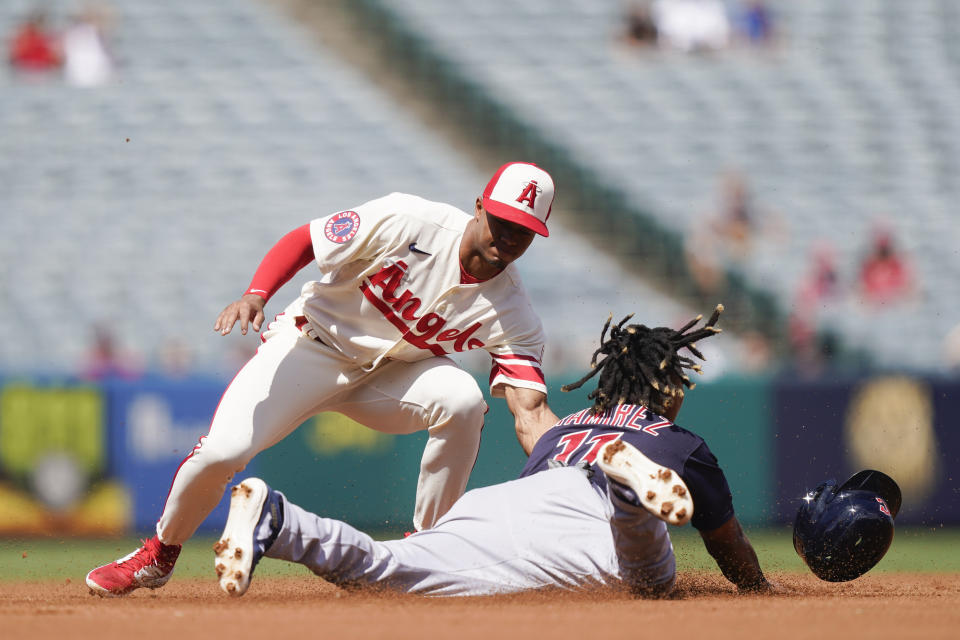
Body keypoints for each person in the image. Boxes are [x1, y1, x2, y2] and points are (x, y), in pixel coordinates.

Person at [85, 161, 561, 596]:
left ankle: (423, 556)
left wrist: (569, 464)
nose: (509, 236)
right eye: (502, 220)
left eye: (524, 229)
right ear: (479, 206)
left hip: (392, 377)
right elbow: (306, 240)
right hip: (311, 345)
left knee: (463, 400)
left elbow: (530, 412)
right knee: (222, 452)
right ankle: (159, 554)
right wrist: (257, 293)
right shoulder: (410, 220)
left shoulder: (513, 311)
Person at [212, 305, 774, 597]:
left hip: (501, 504)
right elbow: (729, 547)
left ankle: (279, 520)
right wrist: (761, 589)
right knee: (652, 582)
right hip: (590, 521)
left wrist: (512, 352)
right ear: (669, 391)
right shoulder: (677, 441)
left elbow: (526, 411)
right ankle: (628, 492)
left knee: (389, 569)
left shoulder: (564, 427)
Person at [8, 9, 61, 73]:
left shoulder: (49, 39)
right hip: (24, 73)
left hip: (44, 74)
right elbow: (15, 57)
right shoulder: (24, 37)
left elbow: (55, 60)